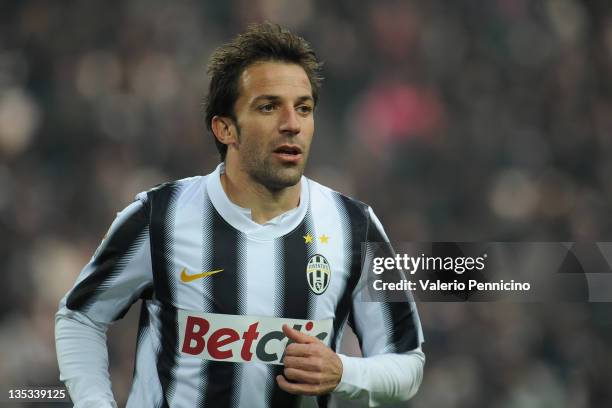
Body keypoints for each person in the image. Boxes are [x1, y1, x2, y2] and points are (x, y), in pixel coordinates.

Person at [55, 22, 425, 408]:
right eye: (268, 107)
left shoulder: (354, 226)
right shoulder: (159, 217)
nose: (291, 124)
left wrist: (345, 373)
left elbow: (407, 364)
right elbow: (80, 317)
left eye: (303, 108)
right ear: (225, 128)